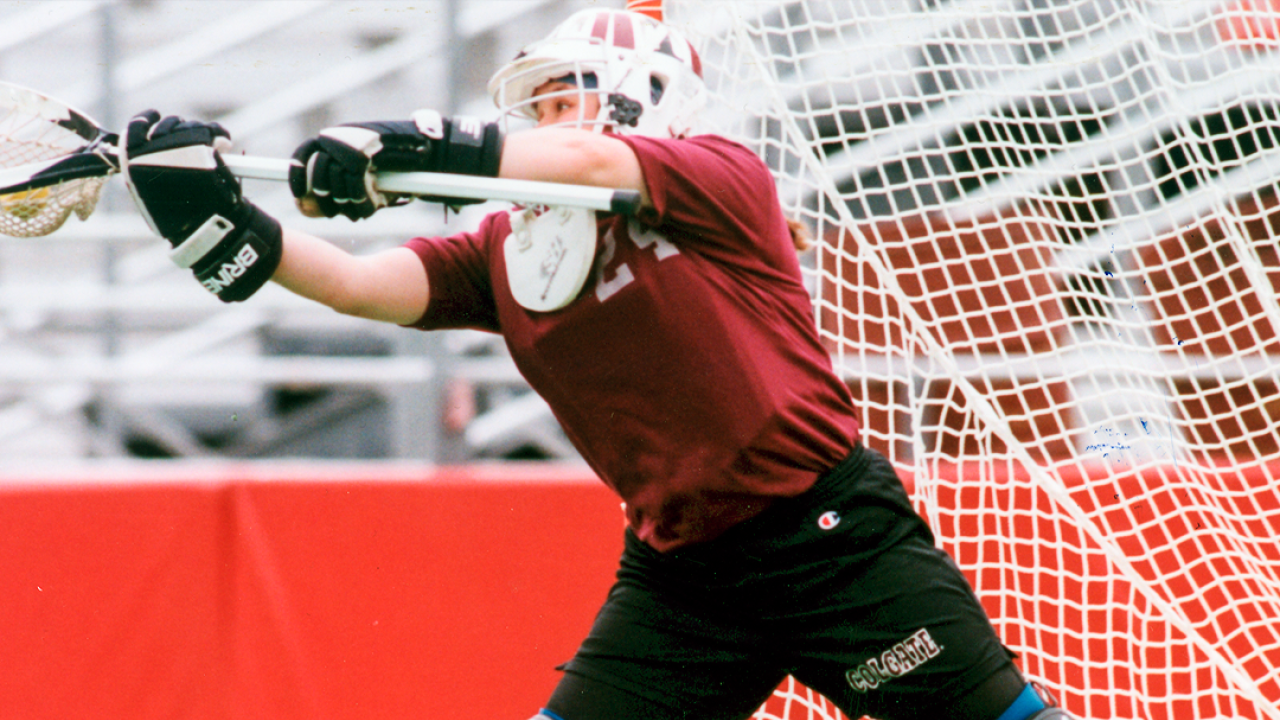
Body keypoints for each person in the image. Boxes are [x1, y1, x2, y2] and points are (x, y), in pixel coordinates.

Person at [118, 8, 1077, 720]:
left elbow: (583, 167)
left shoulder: (714, 175)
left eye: (564, 93)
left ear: (639, 94)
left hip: (828, 541)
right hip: (682, 575)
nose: (548, 113)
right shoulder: (508, 247)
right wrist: (231, 226)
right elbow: (366, 286)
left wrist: (419, 142)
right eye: (538, 100)